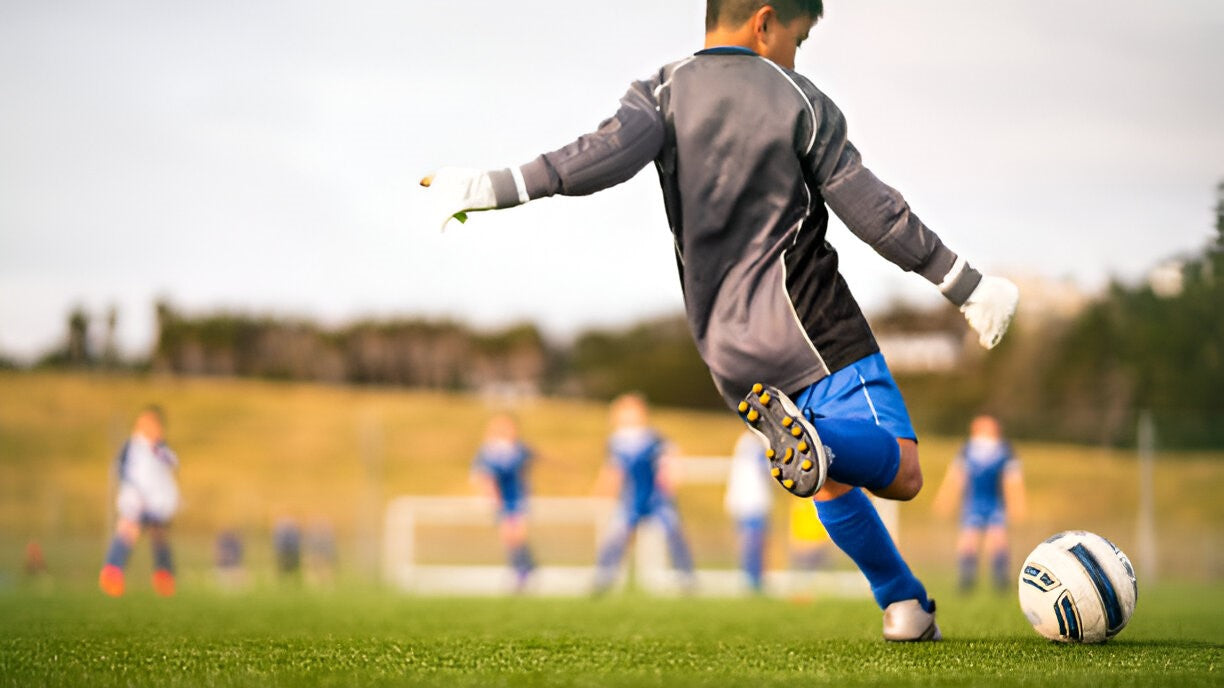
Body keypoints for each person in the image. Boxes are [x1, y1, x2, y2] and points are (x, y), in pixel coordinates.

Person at [419, 0, 1018, 640]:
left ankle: (904, 605)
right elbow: (874, 210)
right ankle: (825, 450)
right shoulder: (800, 100)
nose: (796, 53)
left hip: (725, 351)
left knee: (825, 479)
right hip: (810, 322)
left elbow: (590, 160)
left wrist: (489, 186)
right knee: (900, 470)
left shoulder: (661, 92)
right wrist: (965, 284)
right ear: (764, 23)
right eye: (799, 37)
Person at [591, 394, 694, 594]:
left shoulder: (654, 437)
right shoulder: (615, 441)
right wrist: (602, 489)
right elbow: (613, 469)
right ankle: (603, 579)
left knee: (674, 533)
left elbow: (671, 457)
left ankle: (687, 578)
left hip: (657, 498)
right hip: (631, 499)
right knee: (616, 537)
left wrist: (673, 474)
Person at [933, 415, 1027, 592]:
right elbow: (956, 477)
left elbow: (1012, 480)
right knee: (968, 541)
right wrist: (945, 498)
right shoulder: (967, 450)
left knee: (998, 540)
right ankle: (966, 582)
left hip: (995, 503)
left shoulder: (1005, 451)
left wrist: (1017, 503)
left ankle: (1000, 583)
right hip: (973, 503)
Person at [98, 405, 180, 597]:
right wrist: (134, 492)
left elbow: (171, 465)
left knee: (159, 536)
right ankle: (112, 573)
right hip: (135, 498)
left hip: (157, 501)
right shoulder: (132, 446)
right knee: (128, 531)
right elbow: (121, 468)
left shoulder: (161, 449)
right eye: (143, 423)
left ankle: (164, 576)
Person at [470, 413, 536, 591]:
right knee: (509, 537)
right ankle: (523, 570)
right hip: (501, 501)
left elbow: (525, 467)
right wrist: (490, 496)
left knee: (518, 535)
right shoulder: (488, 452)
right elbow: (483, 475)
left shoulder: (519, 449)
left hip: (518, 499)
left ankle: (525, 570)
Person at [724, 432, 773, 593]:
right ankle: (753, 580)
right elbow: (767, 471)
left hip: (744, 501)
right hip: (753, 502)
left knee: (751, 543)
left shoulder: (745, 442)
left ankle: (752, 578)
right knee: (753, 543)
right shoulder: (755, 444)